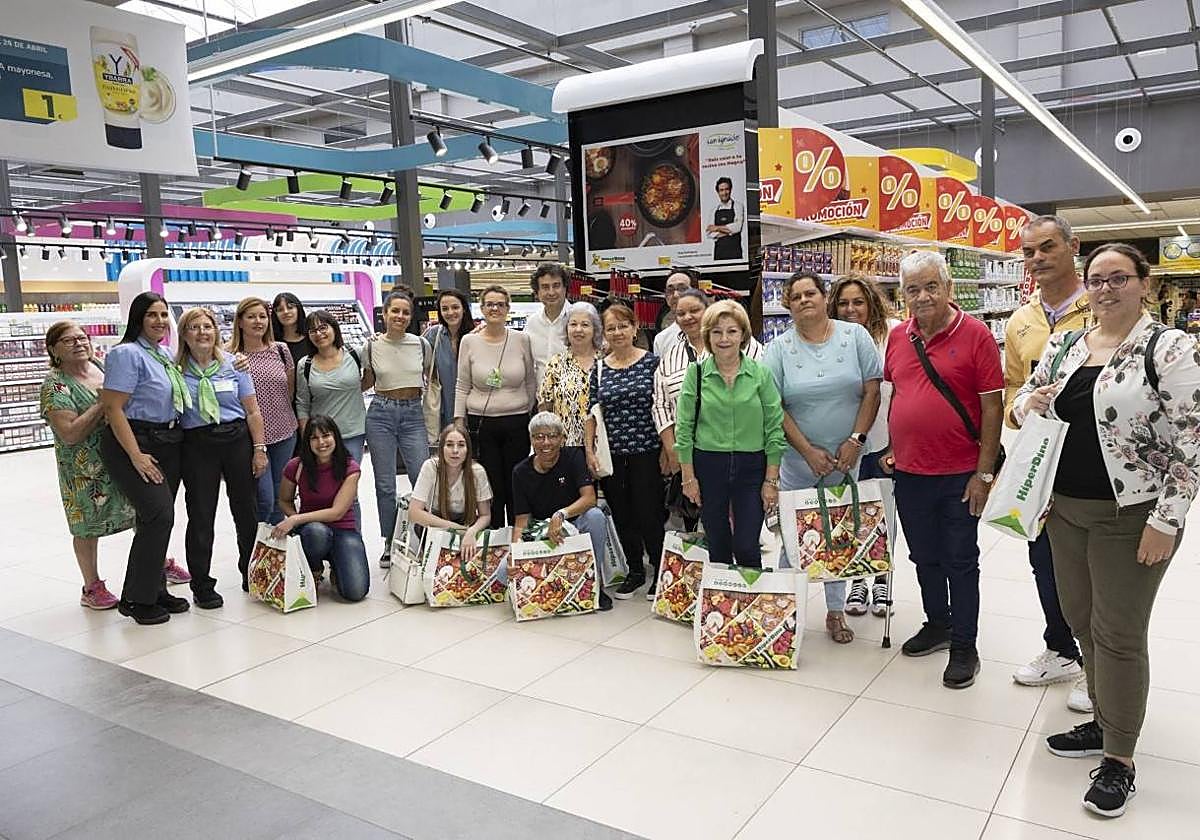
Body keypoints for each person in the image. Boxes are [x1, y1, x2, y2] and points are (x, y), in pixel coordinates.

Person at [1013, 242, 1200, 819]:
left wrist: (1167, 520)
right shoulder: (1067, 345)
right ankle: (1103, 719)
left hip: (1132, 515)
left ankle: (1120, 759)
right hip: (1064, 510)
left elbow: (1192, 438)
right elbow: (1021, 403)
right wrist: (1029, 402)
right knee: (1082, 623)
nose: (1106, 289)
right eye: (1096, 279)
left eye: (1119, 278)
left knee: (1118, 634)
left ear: (1145, 283)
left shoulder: (1169, 347)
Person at [881, 251, 1003, 689]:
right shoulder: (899, 337)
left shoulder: (976, 335)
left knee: (960, 560)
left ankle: (965, 645)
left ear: (949, 288)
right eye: (913, 289)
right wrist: (892, 446)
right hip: (910, 473)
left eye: (931, 286)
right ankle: (938, 623)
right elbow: (897, 395)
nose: (923, 296)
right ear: (903, 295)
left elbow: (993, 408)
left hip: (959, 474)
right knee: (923, 556)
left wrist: (984, 475)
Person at [763, 272, 882, 645]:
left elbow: (872, 391)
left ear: (823, 296)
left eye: (810, 293)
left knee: (839, 532)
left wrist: (855, 441)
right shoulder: (778, 348)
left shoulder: (854, 336)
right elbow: (774, 407)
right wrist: (807, 451)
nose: (804, 300)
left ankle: (835, 611)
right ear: (787, 304)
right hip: (799, 462)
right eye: (795, 296)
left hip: (846, 459)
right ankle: (784, 611)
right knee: (793, 535)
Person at [1007, 215, 1091, 710]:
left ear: (1072, 247)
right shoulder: (1020, 321)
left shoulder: (1101, 307)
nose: (1037, 258)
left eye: (1047, 247)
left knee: (1092, 566)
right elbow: (1012, 386)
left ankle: (1097, 662)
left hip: (1092, 462)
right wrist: (1021, 408)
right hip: (1041, 463)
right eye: (1028, 252)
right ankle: (1061, 648)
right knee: (1044, 561)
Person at [98, 292, 193, 625]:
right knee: (158, 515)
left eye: (164, 314)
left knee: (156, 518)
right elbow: (113, 408)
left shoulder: (162, 354)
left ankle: (153, 589)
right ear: (137, 318)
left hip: (166, 441)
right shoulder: (126, 353)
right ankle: (138, 600)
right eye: (152, 314)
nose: (160, 320)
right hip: (135, 441)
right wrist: (136, 455)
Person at [675, 301, 785, 567]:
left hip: (752, 465)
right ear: (708, 336)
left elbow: (774, 428)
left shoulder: (760, 374)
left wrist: (771, 480)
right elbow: (684, 428)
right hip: (709, 464)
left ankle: (753, 592)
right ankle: (721, 593)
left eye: (732, 331)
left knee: (747, 545)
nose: (724, 339)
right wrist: (688, 477)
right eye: (717, 332)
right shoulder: (696, 374)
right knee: (718, 543)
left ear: (743, 335)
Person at [40, 321, 135, 610]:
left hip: (120, 457)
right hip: (84, 470)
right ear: (54, 350)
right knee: (86, 526)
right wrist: (102, 404)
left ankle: (158, 562)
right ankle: (91, 586)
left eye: (82, 338)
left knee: (142, 511)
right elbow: (69, 434)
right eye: (69, 341)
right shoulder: (55, 386)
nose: (79, 344)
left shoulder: (99, 366)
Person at [176, 307, 267, 606]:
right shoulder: (175, 370)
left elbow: (252, 410)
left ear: (216, 331)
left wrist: (259, 449)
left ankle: (250, 572)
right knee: (201, 515)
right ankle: (202, 584)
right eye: (194, 327)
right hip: (197, 444)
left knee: (246, 511)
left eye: (207, 326)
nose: (202, 332)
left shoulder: (234, 364)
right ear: (184, 334)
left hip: (236, 439)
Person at [652, 289, 763, 526]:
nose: (688, 317)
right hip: (693, 456)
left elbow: (766, 394)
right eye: (681, 313)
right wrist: (672, 451)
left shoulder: (746, 346)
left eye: (695, 310)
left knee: (744, 521)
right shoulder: (670, 358)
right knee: (703, 523)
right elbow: (660, 406)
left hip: (742, 450)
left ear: (708, 310)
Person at [829, 274, 902, 618]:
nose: (851, 309)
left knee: (883, 513)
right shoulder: (830, 339)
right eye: (843, 303)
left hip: (884, 441)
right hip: (844, 446)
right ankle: (858, 579)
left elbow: (903, 390)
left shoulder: (893, 334)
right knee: (851, 514)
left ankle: (882, 580)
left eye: (858, 302)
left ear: (872, 302)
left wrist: (898, 445)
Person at [585, 303, 665, 600]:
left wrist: (668, 450)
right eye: (611, 328)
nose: (617, 332)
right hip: (612, 455)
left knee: (650, 513)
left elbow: (664, 407)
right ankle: (634, 569)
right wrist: (589, 452)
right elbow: (592, 413)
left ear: (634, 328)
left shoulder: (652, 363)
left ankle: (660, 568)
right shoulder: (599, 368)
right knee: (622, 513)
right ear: (604, 333)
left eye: (623, 326)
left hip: (648, 451)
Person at [362, 290, 434, 567]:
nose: (400, 316)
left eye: (405, 312)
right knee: (384, 484)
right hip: (380, 413)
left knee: (422, 478)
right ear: (384, 314)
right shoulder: (371, 347)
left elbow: (432, 379)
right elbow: (366, 383)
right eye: (395, 311)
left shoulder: (421, 345)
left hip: (413, 413)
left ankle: (427, 535)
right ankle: (390, 541)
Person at [454, 285, 536, 526]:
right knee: (489, 484)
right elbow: (462, 384)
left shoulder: (522, 340)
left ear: (508, 309)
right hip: (481, 424)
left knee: (516, 481)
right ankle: (494, 533)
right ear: (481, 308)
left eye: (500, 304)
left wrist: (527, 409)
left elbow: (530, 381)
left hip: (517, 422)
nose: (495, 309)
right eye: (490, 304)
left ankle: (518, 533)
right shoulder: (469, 342)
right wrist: (459, 422)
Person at [513, 412, 613, 611]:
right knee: (504, 571)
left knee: (596, 516)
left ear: (562, 438)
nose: (546, 442)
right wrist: (515, 554)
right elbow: (521, 522)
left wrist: (561, 514)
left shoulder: (574, 456)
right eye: (539, 437)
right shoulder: (520, 471)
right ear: (531, 440)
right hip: (542, 533)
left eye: (552, 436)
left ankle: (594, 583)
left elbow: (589, 498)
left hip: (575, 523)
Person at [275, 415, 369, 602]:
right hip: (311, 531)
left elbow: (337, 512)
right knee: (316, 532)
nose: (321, 442)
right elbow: (284, 500)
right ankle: (314, 566)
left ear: (335, 437)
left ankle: (336, 563)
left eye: (326, 436)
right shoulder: (296, 466)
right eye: (314, 438)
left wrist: (295, 519)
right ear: (307, 442)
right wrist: (294, 517)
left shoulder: (350, 467)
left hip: (344, 529)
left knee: (356, 592)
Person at [230, 296, 298, 525]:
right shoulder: (229, 355)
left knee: (282, 495)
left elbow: (289, 389)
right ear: (240, 322)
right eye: (251, 317)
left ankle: (275, 543)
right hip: (250, 438)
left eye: (262, 316)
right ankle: (256, 540)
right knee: (264, 498)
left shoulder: (281, 350)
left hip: (284, 432)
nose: (258, 321)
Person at [408, 425, 493, 562]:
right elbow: (414, 512)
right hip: (436, 524)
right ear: (441, 448)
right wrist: (457, 530)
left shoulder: (477, 471)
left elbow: (485, 515)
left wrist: (471, 532)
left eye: (461, 445)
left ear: (468, 450)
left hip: (466, 523)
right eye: (449, 445)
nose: (455, 451)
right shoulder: (430, 467)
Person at [295, 310, 366, 463]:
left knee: (351, 475)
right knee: (324, 476)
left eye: (323, 328)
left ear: (334, 328)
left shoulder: (355, 353)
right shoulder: (305, 364)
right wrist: (307, 436)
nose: (318, 334)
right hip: (321, 436)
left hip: (353, 433)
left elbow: (369, 379)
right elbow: (302, 404)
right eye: (313, 331)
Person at [538, 301, 602, 456]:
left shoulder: (606, 361)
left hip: (603, 445)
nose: (578, 329)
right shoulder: (556, 364)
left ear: (595, 329)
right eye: (573, 324)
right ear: (566, 329)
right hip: (566, 447)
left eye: (585, 325)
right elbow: (545, 407)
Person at [422, 289, 475, 433]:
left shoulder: (476, 336)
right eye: (445, 309)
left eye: (455, 307)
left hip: (472, 409)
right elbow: (416, 357)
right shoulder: (434, 335)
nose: (450, 312)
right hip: (443, 407)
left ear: (464, 309)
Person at [524, 263, 570, 385]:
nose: (551, 292)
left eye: (556, 286)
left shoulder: (579, 319)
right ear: (537, 292)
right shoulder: (532, 323)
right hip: (540, 395)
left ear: (565, 288)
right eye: (545, 287)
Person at [653, 268, 700, 357]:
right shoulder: (661, 339)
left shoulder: (713, 330)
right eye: (670, 290)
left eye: (682, 289)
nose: (675, 295)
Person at [272, 292, 315, 366]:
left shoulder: (312, 337)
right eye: (280, 309)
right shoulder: (271, 343)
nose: (286, 312)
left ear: (299, 309)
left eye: (290, 307)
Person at [706, 177, 744, 262]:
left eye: (727, 189)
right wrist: (730, 232)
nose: (724, 193)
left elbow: (737, 227)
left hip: (735, 254)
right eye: (721, 190)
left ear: (730, 190)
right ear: (718, 192)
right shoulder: (714, 210)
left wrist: (716, 228)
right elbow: (709, 232)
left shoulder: (738, 206)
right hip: (719, 254)